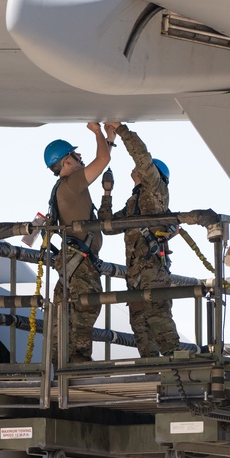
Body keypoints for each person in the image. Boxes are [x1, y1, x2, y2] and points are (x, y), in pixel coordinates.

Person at [105, 121, 180, 358]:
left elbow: (142, 158)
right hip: (135, 275)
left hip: (152, 272)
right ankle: (152, 371)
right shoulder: (133, 202)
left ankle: (177, 368)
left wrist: (121, 131)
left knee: (159, 319)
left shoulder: (155, 191)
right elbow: (108, 227)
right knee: (140, 326)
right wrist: (107, 194)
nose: (138, 168)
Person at [43, 122, 116, 364]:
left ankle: (55, 371)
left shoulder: (64, 186)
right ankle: (76, 367)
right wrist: (97, 132)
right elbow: (102, 161)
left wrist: (110, 139)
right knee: (84, 312)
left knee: (64, 316)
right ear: (66, 162)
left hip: (71, 260)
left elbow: (102, 159)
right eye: (75, 155)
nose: (80, 157)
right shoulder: (73, 182)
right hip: (81, 263)